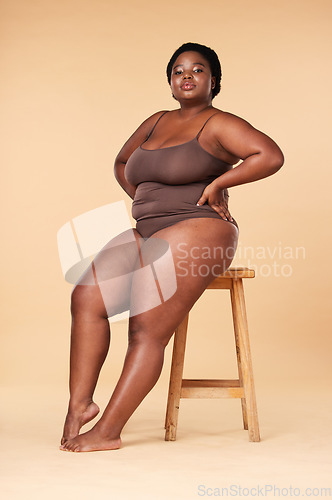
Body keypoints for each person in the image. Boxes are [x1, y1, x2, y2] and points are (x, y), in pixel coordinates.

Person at [60, 42, 284, 452]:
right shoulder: (156, 121)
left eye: (198, 70)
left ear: (213, 81)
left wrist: (219, 184)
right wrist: (144, 200)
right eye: (179, 70)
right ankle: (80, 406)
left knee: (145, 328)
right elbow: (122, 163)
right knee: (86, 298)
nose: (187, 75)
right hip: (147, 231)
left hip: (199, 228)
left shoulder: (219, 123)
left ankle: (108, 430)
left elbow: (269, 155)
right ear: (170, 82)